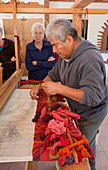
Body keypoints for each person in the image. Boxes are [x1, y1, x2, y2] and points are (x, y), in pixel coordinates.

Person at [30, 19, 108, 170]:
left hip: (91, 114)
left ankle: (90, 167)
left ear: (69, 39)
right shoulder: (67, 55)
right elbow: (54, 74)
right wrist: (40, 87)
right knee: (87, 146)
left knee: (81, 152)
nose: (54, 50)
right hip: (78, 109)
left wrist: (59, 89)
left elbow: (93, 96)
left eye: (55, 45)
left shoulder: (90, 58)